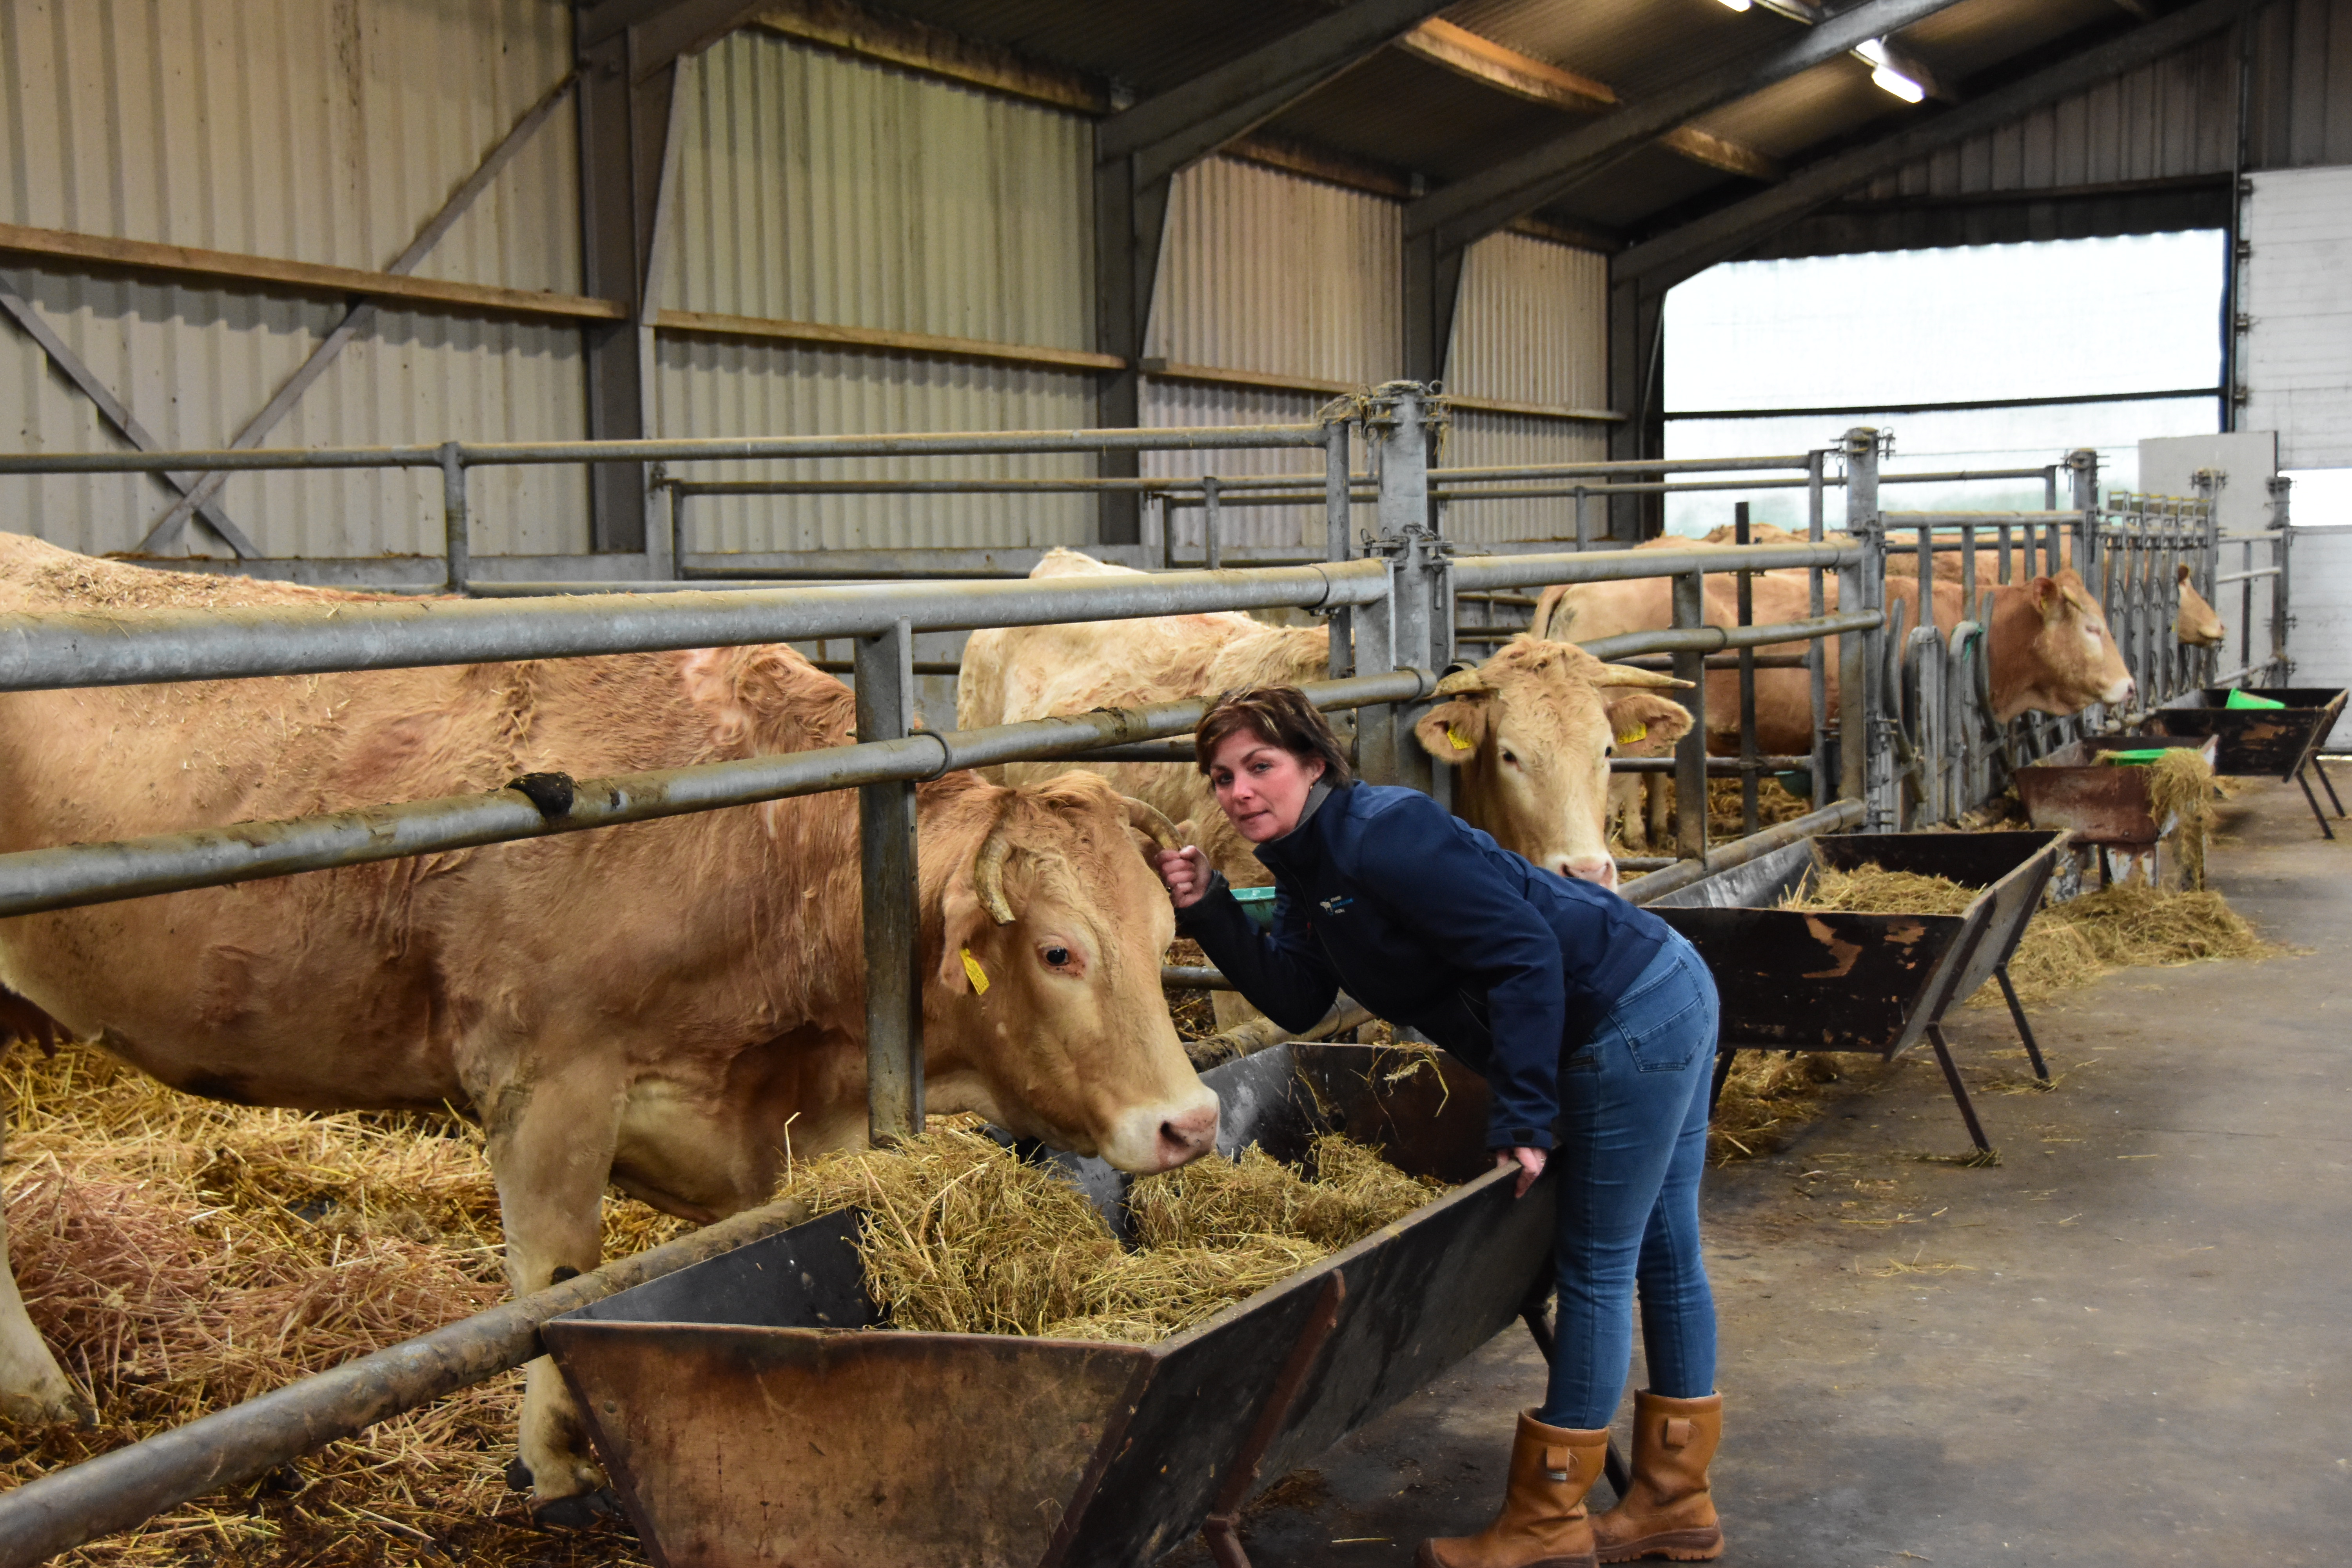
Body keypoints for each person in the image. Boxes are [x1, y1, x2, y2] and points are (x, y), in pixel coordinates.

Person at [1154, 687, 1725, 1568]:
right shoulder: (1311, 865)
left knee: (1602, 1262)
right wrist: (1213, 909)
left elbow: (1525, 953)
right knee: (1662, 1248)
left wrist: (1527, 1112)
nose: (1238, 790)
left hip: (1625, 1013)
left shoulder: (1387, 833)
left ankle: (1547, 1523)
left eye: (1260, 766)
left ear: (1314, 762)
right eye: (1222, 775)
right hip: (1656, 983)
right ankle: (1674, 1499)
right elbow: (1301, 999)